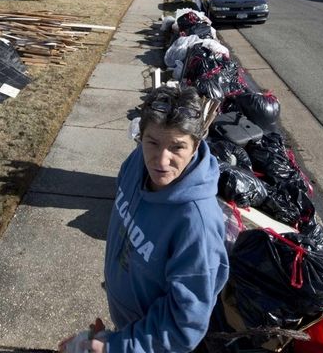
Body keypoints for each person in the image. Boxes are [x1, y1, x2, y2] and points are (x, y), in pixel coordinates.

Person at [59, 86, 230, 353]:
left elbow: (182, 326)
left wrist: (114, 347)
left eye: (177, 147)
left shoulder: (197, 224)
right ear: (141, 137)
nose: (162, 160)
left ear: (196, 146)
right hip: (128, 327)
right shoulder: (137, 164)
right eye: (153, 143)